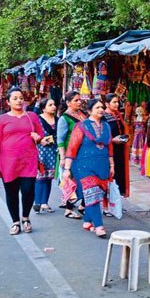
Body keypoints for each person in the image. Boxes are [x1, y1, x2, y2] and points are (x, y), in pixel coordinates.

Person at [0, 87, 43, 235]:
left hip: (29, 159)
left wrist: (37, 138)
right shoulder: (2, 119)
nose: (19, 100)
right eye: (15, 98)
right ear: (8, 102)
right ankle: (15, 222)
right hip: (8, 161)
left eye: (20, 98)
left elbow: (41, 134)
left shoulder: (31, 116)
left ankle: (26, 217)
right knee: (11, 192)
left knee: (28, 190)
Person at [62, 99, 114, 238]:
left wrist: (112, 165)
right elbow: (72, 148)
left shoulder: (106, 126)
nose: (101, 110)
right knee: (92, 195)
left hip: (102, 165)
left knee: (98, 194)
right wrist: (67, 169)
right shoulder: (81, 126)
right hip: (84, 166)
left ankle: (87, 222)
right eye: (97, 107)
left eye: (102, 107)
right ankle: (99, 226)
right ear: (90, 110)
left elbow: (109, 146)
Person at [56, 91, 85, 219]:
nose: (79, 102)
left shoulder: (82, 114)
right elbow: (60, 140)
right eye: (76, 100)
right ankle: (69, 208)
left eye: (79, 100)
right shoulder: (64, 118)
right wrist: (63, 157)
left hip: (83, 153)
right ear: (68, 103)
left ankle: (83, 205)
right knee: (72, 181)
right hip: (70, 154)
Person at [104, 93, 129, 206]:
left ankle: (115, 203)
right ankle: (106, 205)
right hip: (109, 150)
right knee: (109, 175)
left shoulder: (118, 115)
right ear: (107, 104)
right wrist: (112, 140)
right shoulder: (104, 116)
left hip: (119, 150)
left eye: (117, 102)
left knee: (118, 175)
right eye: (114, 102)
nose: (117, 104)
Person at [33, 98, 58, 214]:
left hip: (53, 151)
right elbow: (32, 134)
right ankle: (37, 202)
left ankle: (45, 203)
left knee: (49, 178)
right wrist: (39, 140)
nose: (53, 107)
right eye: (50, 105)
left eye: (54, 105)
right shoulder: (37, 120)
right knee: (40, 177)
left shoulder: (58, 120)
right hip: (41, 151)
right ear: (43, 108)